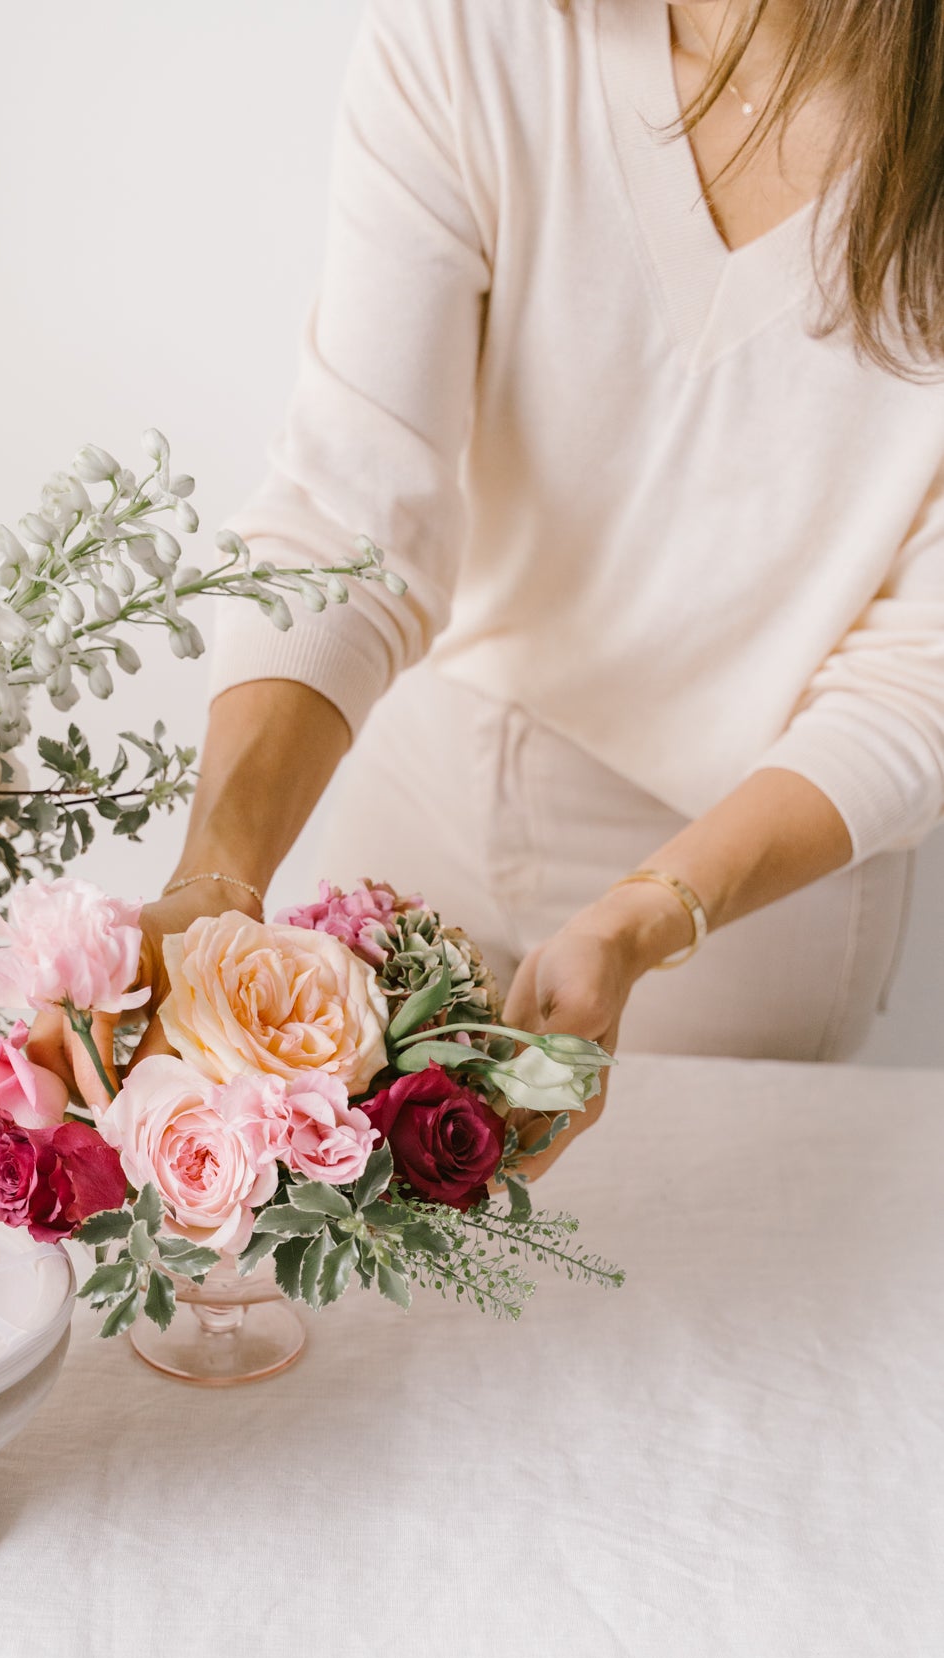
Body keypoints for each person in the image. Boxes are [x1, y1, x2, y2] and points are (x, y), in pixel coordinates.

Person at [134, 0, 944, 1174]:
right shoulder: (475, 37)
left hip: (748, 891)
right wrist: (217, 872)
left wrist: (650, 913)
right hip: (412, 789)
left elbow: (922, 677)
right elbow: (352, 511)